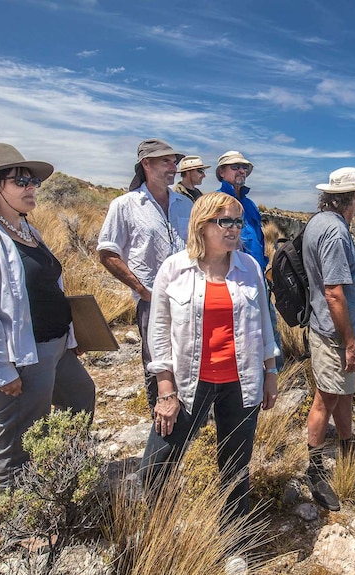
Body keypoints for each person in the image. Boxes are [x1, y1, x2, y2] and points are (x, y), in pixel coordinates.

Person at [0, 143, 95, 487]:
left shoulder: (30, 232)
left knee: (80, 397)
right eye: (20, 181)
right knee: (19, 442)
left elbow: (48, 290)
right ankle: (15, 520)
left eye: (32, 181)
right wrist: (0, 370)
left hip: (55, 346)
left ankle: (62, 477)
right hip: (20, 356)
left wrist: (72, 339)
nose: (31, 187)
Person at [139, 192, 279, 525]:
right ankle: (158, 529)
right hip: (189, 383)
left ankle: (233, 540)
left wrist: (270, 371)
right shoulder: (174, 269)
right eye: (225, 221)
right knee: (157, 463)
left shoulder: (250, 268)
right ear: (202, 225)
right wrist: (165, 390)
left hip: (240, 382)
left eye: (238, 222)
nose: (234, 229)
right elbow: (158, 333)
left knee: (235, 467)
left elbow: (264, 323)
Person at [97, 139, 193, 411]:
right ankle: (161, 418)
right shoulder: (125, 205)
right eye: (166, 161)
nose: (173, 167)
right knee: (158, 360)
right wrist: (141, 290)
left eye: (174, 161)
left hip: (189, 294)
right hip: (152, 299)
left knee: (189, 355)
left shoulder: (184, 204)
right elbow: (107, 253)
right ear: (146, 164)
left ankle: (190, 414)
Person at [301, 167, 355, 511]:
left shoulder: (322, 221)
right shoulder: (333, 232)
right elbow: (333, 293)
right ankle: (314, 472)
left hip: (335, 331)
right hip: (334, 334)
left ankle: (349, 454)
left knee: (344, 393)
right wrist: (349, 342)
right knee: (326, 398)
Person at [215, 150, 283, 369]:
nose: (241, 171)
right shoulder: (216, 202)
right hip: (232, 276)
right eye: (235, 167)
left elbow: (259, 240)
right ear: (222, 172)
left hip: (258, 275)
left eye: (244, 167)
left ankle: (275, 372)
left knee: (268, 323)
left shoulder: (250, 205)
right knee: (239, 326)